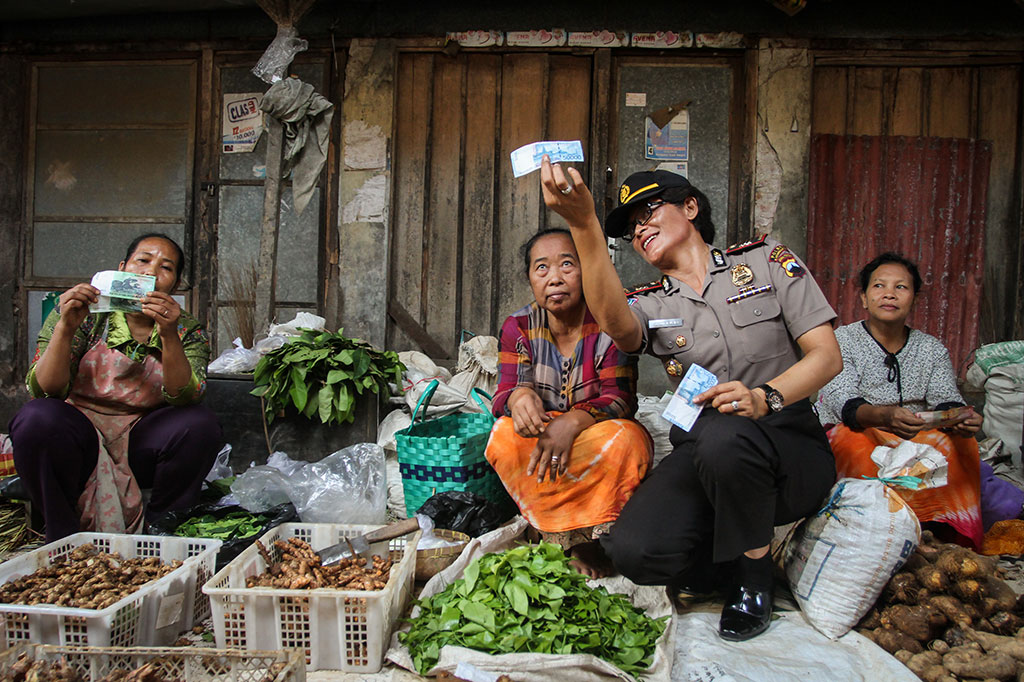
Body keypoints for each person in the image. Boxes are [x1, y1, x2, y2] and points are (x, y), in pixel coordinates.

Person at [539, 161, 842, 641]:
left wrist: (766, 397)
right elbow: (615, 321)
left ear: (691, 207)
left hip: (789, 446)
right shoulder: (650, 303)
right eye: (630, 226)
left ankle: (754, 580)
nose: (639, 228)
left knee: (723, 434)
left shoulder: (766, 261)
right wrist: (583, 223)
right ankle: (735, 555)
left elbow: (827, 357)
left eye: (648, 211)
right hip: (708, 454)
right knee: (637, 552)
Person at [9, 233, 222, 542]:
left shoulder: (186, 328)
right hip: (77, 437)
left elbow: (185, 395)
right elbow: (45, 390)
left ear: (174, 285)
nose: (150, 272)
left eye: (165, 267)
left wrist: (169, 334)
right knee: (38, 416)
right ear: (122, 268)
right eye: (143, 261)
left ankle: (163, 535)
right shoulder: (85, 313)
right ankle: (62, 537)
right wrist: (66, 326)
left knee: (199, 424)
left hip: (140, 440)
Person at [816, 252, 1024, 549]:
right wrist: (885, 417)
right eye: (879, 286)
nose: (889, 293)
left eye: (901, 287)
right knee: (856, 447)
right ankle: (877, 533)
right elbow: (842, 400)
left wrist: (960, 417)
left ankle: (945, 532)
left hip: (914, 438)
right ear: (863, 298)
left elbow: (946, 400)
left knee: (962, 444)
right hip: (856, 430)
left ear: (914, 299)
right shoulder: (842, 341)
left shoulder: (930, 348)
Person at [486, 228, 654, 578]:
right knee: (503, 435)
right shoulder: (518, 326)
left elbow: (620, 399)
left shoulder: (609, 323)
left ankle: (590, 542)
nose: (555, 278)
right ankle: (551, 533)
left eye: (567, 264)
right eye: (542, 268)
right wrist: (520, 397)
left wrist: (574, 421)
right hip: (545, 436)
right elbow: (503, 393)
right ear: (531, 279)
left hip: (592, 433)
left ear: (585, 271)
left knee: (628, 440)